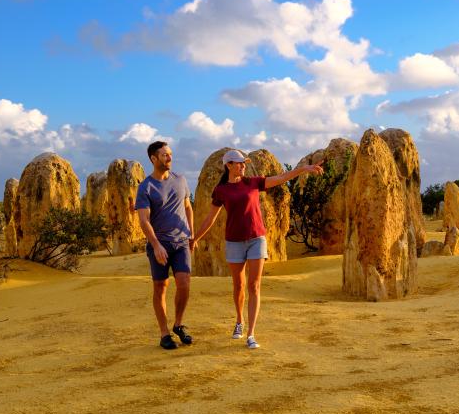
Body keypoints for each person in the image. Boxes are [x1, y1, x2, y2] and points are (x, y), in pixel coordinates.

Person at [192, 149, 321, 350]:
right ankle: (239, 321)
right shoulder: (221, 191)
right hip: (234, 242)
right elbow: (211, 218)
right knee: (239, 286)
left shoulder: (252, 183)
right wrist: (195, 238)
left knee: (254, 286)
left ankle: (251, 333)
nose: (243, 166)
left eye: (244, 163)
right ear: (229, 165)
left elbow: (281, 178)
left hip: (256, 240)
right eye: (239, 163)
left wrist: (303, 169)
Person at [134, 141, 194, 350]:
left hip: (181, 242)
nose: (169, 158)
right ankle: (164, 333)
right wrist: (156, 245)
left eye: (170, 154)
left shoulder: (180, 180)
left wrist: (191, 234)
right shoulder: (145, 187)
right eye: (164, 155)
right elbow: (144, 220)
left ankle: (178, 324)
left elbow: (188, 207)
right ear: (153, 159)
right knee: (161, 287)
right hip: (159, 244)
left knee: (184, 283)